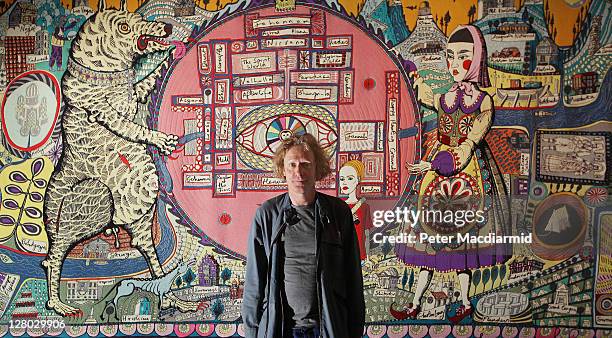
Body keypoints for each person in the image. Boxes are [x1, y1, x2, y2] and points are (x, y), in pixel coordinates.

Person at [393, 25, 511, 323]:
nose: (455, 65)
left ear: (478, 59)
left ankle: (465, 301)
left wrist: (446, 159)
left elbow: (470, 141)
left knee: (462, 241)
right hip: (438, 170)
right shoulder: (445, 96)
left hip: (464, 173)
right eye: (450, 57)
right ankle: (417, 303)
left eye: (463, 57)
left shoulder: (483, 101)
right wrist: (410, 71)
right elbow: (424, 94)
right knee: (428, 238)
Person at [242, 133, 365, 338]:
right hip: (280, 329)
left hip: (328, 329)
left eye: (306, 164)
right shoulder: (267, 215)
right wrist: (252, 332)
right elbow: (255, 281)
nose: (299, 172)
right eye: (292, 165)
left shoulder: (339, 213)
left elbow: (353, 279)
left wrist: (354, 331)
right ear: (283, 169)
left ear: (317, 169)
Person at [339, 160, 373, 262]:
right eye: (341, 179)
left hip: (359, 253)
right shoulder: (337, 205)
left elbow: (366, 234)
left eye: (349, 178)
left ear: (358, 180)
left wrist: (367, 256)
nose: (344, 182)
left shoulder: (364, 206)